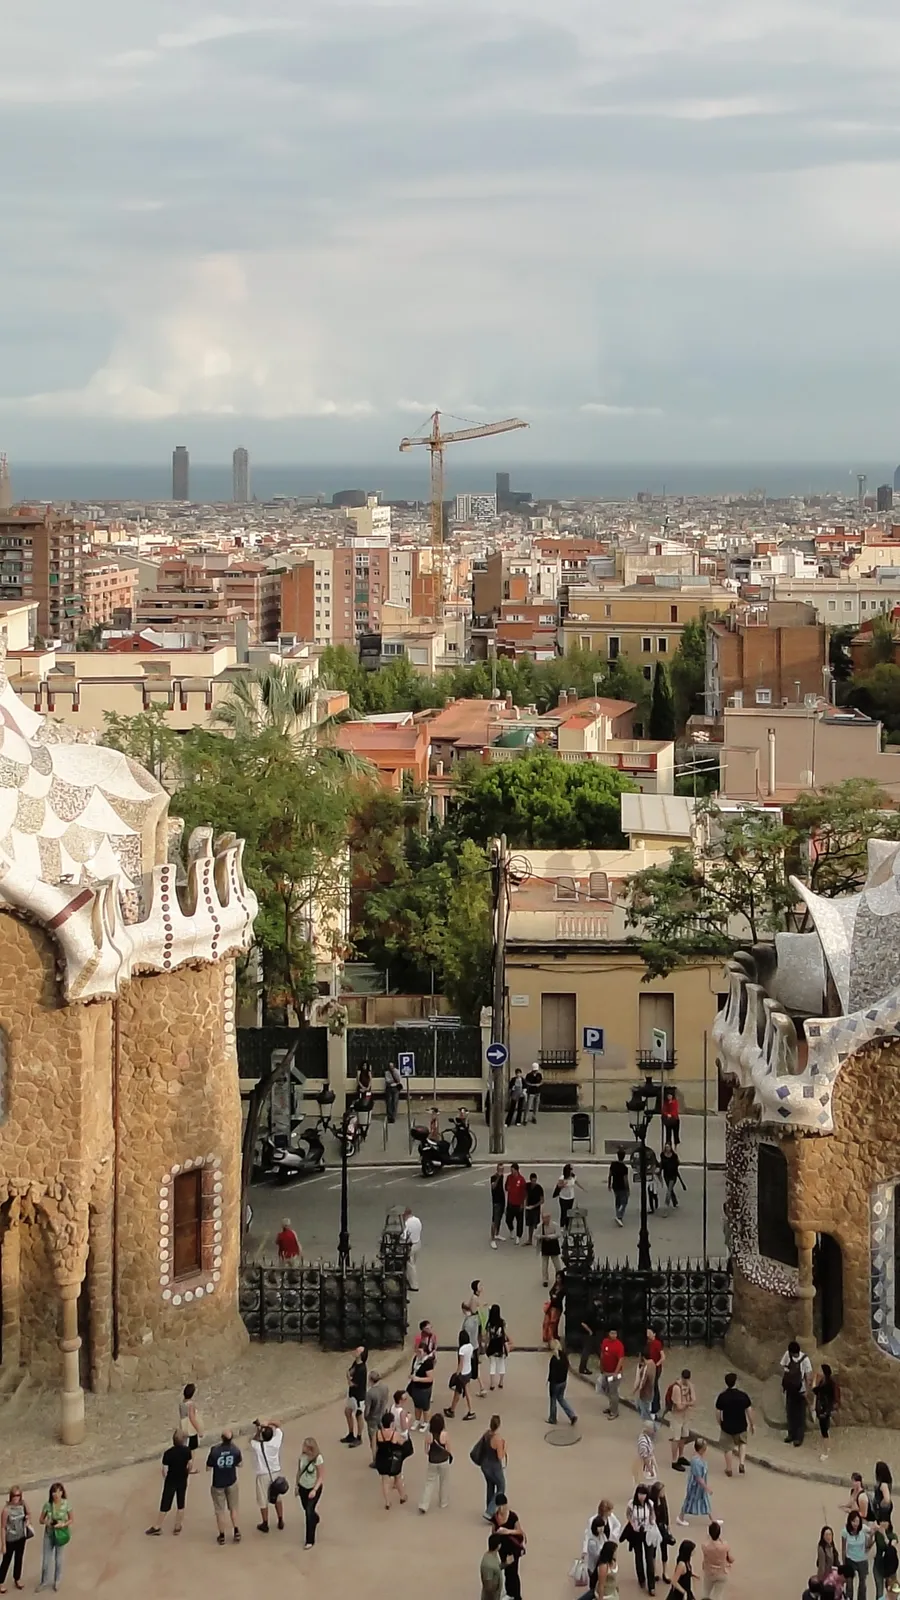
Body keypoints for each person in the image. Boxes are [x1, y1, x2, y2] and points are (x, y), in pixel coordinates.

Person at [145, 1430, 194, 1537]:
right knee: (181, 1502)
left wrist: (167, 1477)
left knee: (165, 1503)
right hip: (182, 1479)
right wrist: (187, 1472)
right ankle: (177, 1526)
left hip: (171, 1481)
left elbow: (165, 1470)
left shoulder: (168, 1453)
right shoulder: (187, 1451)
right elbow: (190, 1465)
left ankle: (157, 1526)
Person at [715, 1372, 754, 1477]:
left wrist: (720, 1423)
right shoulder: (743, 1396)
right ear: (736, 1382)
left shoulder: (722, 1396)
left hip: (727, 1426)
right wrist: (752, 1424)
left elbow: (718, 1412)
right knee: (742, 1443)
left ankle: (729, 1468)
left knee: (728, 1448)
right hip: (741, 1425)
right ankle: (741, 1463)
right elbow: (749, 1411)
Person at [206, 1431, 242, 1545]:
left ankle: (222, 1536)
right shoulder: (235, 1450)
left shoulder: (215, 1450)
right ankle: (236, 1530)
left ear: (222, 1438)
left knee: (220, 1511)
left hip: (218, 1483)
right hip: (231, 1481)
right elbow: (240, 1464)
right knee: (233, 1508)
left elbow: (208, 1467)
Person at [251, 1418, 285, 1533]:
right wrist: (268, 1423)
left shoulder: (257, 1446)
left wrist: (259, 1429)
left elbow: (253, 1439)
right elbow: (279, 1425)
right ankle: (280, 1519)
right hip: (275, 1472)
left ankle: (265, 1523)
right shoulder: (276, 1443)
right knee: (277, 1497)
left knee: (262, 1500)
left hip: (262, 1474)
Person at [490, 1497, 526, 1600]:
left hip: (514, 1548)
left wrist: (507, 1531)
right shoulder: (495, 1518)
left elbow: (519, 1531)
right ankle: (509, 1593)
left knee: (513, 1572)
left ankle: (517, 1596)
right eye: (499, 1506)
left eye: (503, 1506)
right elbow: (493, 1533)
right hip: (502, 1548)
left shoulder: (512, 1516)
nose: (501, 1509)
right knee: (506, 1571)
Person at [37, 1485, 71, 1593]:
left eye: (58, 1492)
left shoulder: (66, 1504)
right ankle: (44, 1581)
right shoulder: (47, 1505)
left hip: (60, 1534)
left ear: (62, 1493)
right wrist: (47, 1522)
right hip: (49, 1534)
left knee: (58, 1559)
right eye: (54, 1492)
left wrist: (63, 1524)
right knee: (46, 1560)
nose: (56, 1495)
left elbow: (71, 1519)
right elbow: (41, 1519)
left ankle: (57, 1581)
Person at [472, 1415, 506, 1520]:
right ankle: (490, 1511)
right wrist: (505, 1448)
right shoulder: (497, 1439)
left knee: (490, 1486)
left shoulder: (487, 1434)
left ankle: (489, 1508)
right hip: (494, 1467)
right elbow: (500, 1456)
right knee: (501, 1487)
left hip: (485, 1465)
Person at [626, 1483, 658, 1596]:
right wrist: (633, 1524)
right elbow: (628, 1515)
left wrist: (653, 1521)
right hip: (636, 1533)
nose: (642, 1497)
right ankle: (641, 1578)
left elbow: (653, 1515)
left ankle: (651, 1586)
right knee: (638, 1556)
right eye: (640, 1494)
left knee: (649, 1559)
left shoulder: (649, 1504)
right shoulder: (631, 1504)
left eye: (644, 1494)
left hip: (647, 1532)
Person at [374, 1412, 410, 1510]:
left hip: (381, 1459)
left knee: (385, 1481)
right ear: (391, 1423)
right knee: (397, 1478)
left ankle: (387, 1502)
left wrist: (375, 1460)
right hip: (393, 1461)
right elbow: (402, 1443)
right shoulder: (395, 1434)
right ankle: (402, 1496)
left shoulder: (377, 1434)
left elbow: (374, 1448)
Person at [780, 1339, 813, 1447]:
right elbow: (808, 1377)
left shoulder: (802, 1359)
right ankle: (795, 1436)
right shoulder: (805, 1359)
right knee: (793, 1413)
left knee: (795, 1413)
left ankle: (795, 1435)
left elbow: (783, 1366)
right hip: (796, 1389)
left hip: (796, 1390)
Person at [418, 1413, 451, 1514]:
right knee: (444, 1481)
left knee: (429, 1483)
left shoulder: (429, 1435)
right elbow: (448, 1449)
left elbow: (426, 1450)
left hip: (432, 1461)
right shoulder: (444, 1434)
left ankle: (424, 1504)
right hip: (444, 1461)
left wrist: (430, 1454)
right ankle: (443, 1502)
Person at [0, 1486, 31, 1591]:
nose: (16, 1498)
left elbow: (29, 1514)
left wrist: (27, 1520)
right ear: (11, 1496)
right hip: (10, 1539)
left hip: (21, 1537)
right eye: (14, 1495)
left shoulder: (23, 1505)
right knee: (6, 1561)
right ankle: (0, 1581)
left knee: (19, 1558)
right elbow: (3, 1527)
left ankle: (17, 1578)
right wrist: (3, 1544)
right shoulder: (6, 1510)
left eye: (18, 1495)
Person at [295, 1437, 324, 1549]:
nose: (303, 1448)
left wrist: (314, 1490)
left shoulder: (318, 1459)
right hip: (303, 1486)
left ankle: (309, 1540)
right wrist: (296, 1485)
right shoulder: (302, 1457)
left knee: (308, 1512)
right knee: (305, 1508)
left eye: (305, 1447)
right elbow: (299, 1471)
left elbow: (321, 1476)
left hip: (313, 1488)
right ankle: (315, 1517)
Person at [678, 1438, 712, 1526]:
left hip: (700, 1485)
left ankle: (713, 1519)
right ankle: (680, 1517)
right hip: (695, 1486)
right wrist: (706, 1487)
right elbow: (698, 1477)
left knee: (705, 1500)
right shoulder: (696, 1461)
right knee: (689, 1500)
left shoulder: (699, 1458)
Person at [445, 1327, 477, 1420]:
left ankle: (468, 1411)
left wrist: (456, 1374)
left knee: (462, 1392)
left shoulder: (462, 1349)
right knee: (460, 1392)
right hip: (468, 1371)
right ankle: (452, 1409)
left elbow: (461, 1363)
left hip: (462, 1373)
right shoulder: (470, 1346)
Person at [547, 1337, 578, 1426]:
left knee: (553, 1399)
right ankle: (572, 1415)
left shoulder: (554, 1359)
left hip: (555, 1383)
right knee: (561, 1398)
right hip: (563, 1382)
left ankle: (552, 1418)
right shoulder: (564, 1356)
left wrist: (550, 1383)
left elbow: (552, 1374)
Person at [669, 1370, 696, 1470]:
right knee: (676, 1438)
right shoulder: (676, 1387)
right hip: (677, 1416)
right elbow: (679, 1406)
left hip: (686, 1415)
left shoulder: (690, 1385)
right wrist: (688, 1404)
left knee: (684, 1436)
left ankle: (681, 1456)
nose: (686, 1381)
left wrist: (686, 1403)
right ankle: (674, 1460)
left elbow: (694, 1400)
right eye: (685, 1379)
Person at [843, 1510, 873, 1600]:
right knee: (849, 1584)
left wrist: (872, 1535)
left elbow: (872, 1531)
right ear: (850, 1521)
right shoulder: (845, 1532)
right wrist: (844, 1563)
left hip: (862, 1559)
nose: (855, 1524)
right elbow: (844, 1548)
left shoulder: (863, 1528)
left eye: (857, 1521)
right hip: (850, 1559)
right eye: (853, 1521)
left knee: (862, 1584)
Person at [650, 1482, 676, 1585]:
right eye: (662, 1491)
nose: (663, 1493)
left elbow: (666, 1511)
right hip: (654, 1527)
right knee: (654, 1550)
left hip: (662, 1526)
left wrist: (668, 1525)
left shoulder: (663, 1499)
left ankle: (665, 1572)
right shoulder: (652, 1501)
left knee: (664, 1549)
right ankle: (654, 1571)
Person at [342, 1344, 368, 1446]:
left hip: (359, 1396)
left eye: (358, 1351)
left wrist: (348, 1377)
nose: (355, 1351)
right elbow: (350, 1372)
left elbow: (352, 1381)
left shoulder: (362, 1369)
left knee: (358, 1415)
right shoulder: (356, 1364)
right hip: (352, 1393)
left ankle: (359, 1436)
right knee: (347, 1412)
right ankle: (351, 1433)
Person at [813, 1363, 840, 1461]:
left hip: (825, 1408)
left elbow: (830, 1396)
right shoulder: (824, 1381)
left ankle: (827, 1451)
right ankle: (825, 1449)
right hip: (822, 1408)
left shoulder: (829, 1383)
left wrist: (828, 1410)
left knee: (825, 1431)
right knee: (823, 1430)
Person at [597, 1326, 626, 1417]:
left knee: (613, 1392)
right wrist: (601, 1365)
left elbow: (621, 1359)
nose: (613, 1335)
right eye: (612, 1333)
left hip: (614, 1373)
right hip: (605, 1371)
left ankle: (614, 1411)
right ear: (608, 1334)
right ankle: (611, 1407)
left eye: (615, 1333)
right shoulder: (605, 1342)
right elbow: (602, 1354)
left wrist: (616, 1373)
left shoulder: (619, 1345)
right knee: (606, 1389)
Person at [700, 1523, 733, 1599]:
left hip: (709, 1572)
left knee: (706, 1592)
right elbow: (730, 1559)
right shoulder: (724, 1546)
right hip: (722, 1572)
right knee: (718, 1595)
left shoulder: (705, 1546)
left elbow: (707, 1544)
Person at [407, 1348, 436, 1432]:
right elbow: (414, 1370)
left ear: (425, 1352)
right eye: (417, 1351)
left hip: (424, 1388)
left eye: (420, 1352)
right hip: (415, 1386)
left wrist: (418, 1379)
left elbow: (430, 1378)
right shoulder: (416, 1358)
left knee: (425, 1406)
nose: (418, 1353)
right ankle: (417, 1420)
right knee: (417, 1404)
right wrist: (412, 1376)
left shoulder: (428, 1362)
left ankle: (426, 1422)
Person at [364, 1369, 390, 1461]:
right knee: (383, 1437)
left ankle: (376, 1460)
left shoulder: (370, 1393)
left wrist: (366, 1417)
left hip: (373, 1418)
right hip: (382, 1414)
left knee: (373, 1440)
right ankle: (385, 1455)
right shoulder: (385, 1387)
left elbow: (367, 1409)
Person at [486, 1305, 511, 1391]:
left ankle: (492, 1384)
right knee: (501, 1364)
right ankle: (501, 1382)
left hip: (492, 1346)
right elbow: (505, 1333)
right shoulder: (502, 1322)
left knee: (492, 1365)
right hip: (500, 1346)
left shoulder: (489, 1324)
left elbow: (487, 1336)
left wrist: (485, 1345)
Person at [588, 1532, 619, 1600]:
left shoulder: (614, 1561)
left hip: (612, 1592)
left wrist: (616, 1587)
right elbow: (601, 1585)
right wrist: (600, 1598)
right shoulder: (603, 1566)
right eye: (615, 1551)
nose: (616, 1553)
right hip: (605, 1595)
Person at [874, 1517, 899, 1600]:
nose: (883, 1523)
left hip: (890, 1567)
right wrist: (872, 1532)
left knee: (893, 1589)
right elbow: (868, 1545)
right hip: (879, 1564)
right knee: (879, 1591)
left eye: (885, 1521)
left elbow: (891, 1547)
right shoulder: (877, 1535)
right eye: (881, 1521)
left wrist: (884, 1534)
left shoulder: (893, 1535)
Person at [555, 1162, 583, 1229]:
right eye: (570, 1170)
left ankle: (567, 1226)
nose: (571, 1171)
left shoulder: (573, 1177)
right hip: (563, 1197)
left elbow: (576, 1182)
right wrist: (563, 1185)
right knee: (563, 1212)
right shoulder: (562, 1178)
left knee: (569, 1212)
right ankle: (562, 1226)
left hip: (571, 1197)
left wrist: (582, 1188)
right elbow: (559, 1185)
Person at [504, 1163, 527, 1243]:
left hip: (518, 1204)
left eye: (512, 1170)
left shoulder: (521, 1180)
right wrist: (508, 1188)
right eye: (511, 1170)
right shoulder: (509, 1177)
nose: (511, 1172)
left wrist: (522, 1204)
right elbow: (506, 1187)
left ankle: (518, 1236)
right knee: (508, 1219)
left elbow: (524, 1193)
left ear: (516, 1170)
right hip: (510, 1203)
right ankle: (511, 1229)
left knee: (519, 1221)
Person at [178, 1382, 202, 1453]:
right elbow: (192, 1418)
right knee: (192, 1450)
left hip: (183, 1427)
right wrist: (199, 1429)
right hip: (190, 1429)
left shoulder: (182, 1403)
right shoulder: (191, 1404)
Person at [608, 1148, 630, 1226]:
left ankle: (618, 1213)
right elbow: (625, 1179)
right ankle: (619, 1215)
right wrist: (628, 1189)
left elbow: (610, 1175)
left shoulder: (613, 1165)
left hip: (615, 1185)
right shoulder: (624, 1168)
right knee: (624, 1202)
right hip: (622, 1186)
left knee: (617, 1200)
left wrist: (609, 1184)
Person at [634, 1351, 658, 1421]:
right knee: (640, 1406)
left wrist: (635, 1390)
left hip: (645, 1394)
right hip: (650, 1391)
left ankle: (650, 1429)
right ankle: (651, 1418)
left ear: (642, 1357)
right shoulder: (652, 1363)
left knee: (645, 1414)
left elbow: (643, 1382)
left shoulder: (646, 1368)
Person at [542, 1272, 565, 1346]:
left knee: (553, 1323)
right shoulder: (556, 1285)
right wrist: (553, 1296)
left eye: (559, 1278)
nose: (557, 1279)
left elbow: (560, 1296)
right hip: (552, 1306)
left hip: (557, 1307)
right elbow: (550, 1292)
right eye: (557, 1278)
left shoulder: (563, 1287)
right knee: (549, 1322)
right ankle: (549, 1337)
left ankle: (551, 1337)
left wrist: (555, 1296)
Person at [539, 1211, 561, 1286]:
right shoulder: (540, 1226)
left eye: (545, 1218)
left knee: (557, 1263)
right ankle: (545, 1280)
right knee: (544, 1264)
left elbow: (558, 1234)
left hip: (553, 1244)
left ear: (549, 1218)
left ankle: (559, 1278)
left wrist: (549, 1236)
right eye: (543, 1218)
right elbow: (536, 1235)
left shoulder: (555, 1225)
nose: (544, 1220)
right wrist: (542, 1237)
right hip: (545, 1245)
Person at [579, 1300, 601, 1376]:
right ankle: (582, 1368)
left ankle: (605, 1365)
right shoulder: (590, 1311)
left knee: (598, 1348)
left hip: (594, 1333)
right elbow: (583, 1323)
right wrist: (589, 1331)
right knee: (586, 1351)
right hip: (588, 1334)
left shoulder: (596, 1310)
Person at [401, 1208, 422, 1290]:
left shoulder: (407, 1223)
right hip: (418, 1243)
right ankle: (409, 1281)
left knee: (410, 1265)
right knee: (413, 1263)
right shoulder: (417, 1220)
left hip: (411, 1246)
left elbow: (404, 1236)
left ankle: (414, 1285)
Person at [481, 1533, 505, 1600]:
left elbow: (496, 1568)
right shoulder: (488, 1564)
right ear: (499, 1546)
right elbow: (488, 1586)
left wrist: (506, 1563)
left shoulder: (492, 1556)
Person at [636, 1420, 659, 1485]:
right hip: (645, 1466)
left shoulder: (646, 1437)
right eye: (652, 1429)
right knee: (647, 1483)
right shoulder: (643, 1442)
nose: (653, 1431)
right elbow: (645, 1458)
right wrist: (650, 1470)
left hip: (649, 1462)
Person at [661, 1145, 683, 1210]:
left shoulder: (674, 1155)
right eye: (666, 1147)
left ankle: (666, 1203)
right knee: (670, 1189)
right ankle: (675, 1201)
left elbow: (678, 1163)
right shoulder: (662, 1155)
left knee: (669, 1190)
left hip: (673, 1175)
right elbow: (662, 1164)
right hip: (666, 1175)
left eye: (668, 1147)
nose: (667, 1148)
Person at [524, 1172, 544, 1245]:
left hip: (536, 1209)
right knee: (530, 1224)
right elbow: (525, 1194)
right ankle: (530, 1239)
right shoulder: (527, 1186)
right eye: (532, 1181)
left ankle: (541, 1238)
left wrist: (534, 1206)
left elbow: (542, 1200)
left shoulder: (539, 1188)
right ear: (530, 1180)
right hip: (528, 1208)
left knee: (537, 1225)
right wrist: (525, 1204)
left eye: (535, 1181)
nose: (534, 1182)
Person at [490, 1164, 506, 1248]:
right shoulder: (493, 1177)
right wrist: (498, 1177)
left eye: (502, 1169)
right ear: (497, 1169)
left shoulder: (502, 1176)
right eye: (500, 1169)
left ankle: (497, 1234)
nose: (501, 1171)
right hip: (496, 1202)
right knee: (494, 1220)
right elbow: (493, 1187)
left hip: (502, 1200)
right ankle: (492, 1239)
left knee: (499, 1218)